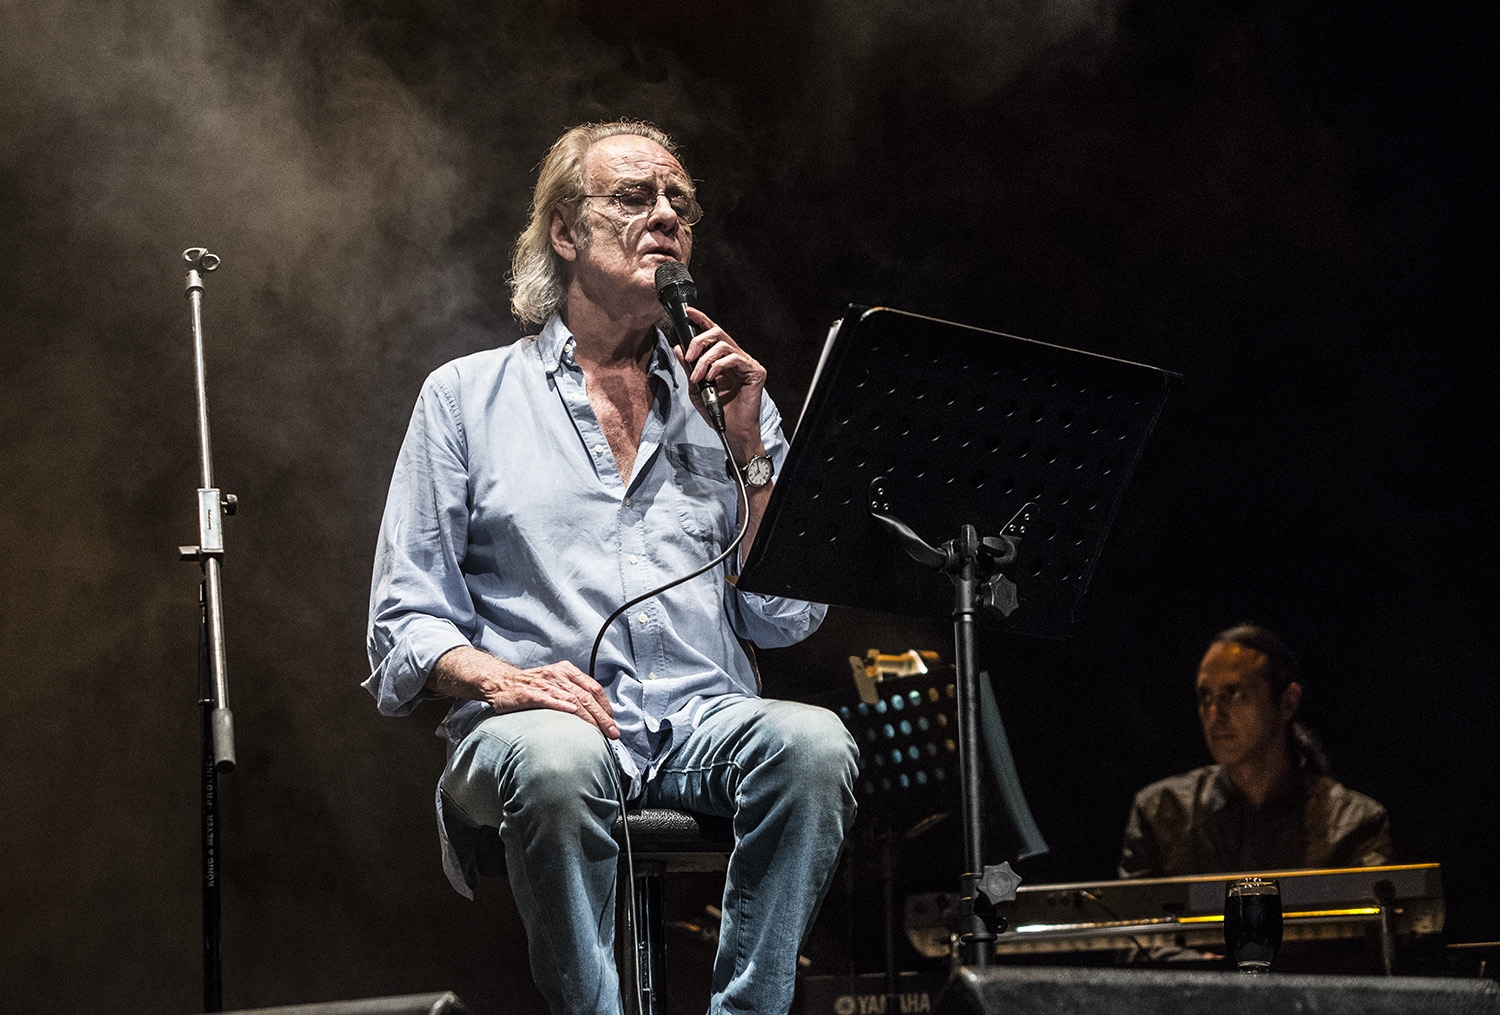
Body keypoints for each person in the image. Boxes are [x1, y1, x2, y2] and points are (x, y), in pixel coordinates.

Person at [364, 120, 859, 1014]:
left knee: (816, 744)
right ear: (564, 232)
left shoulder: (731, 402)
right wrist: (505, 680)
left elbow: (786, 617)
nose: (666, 216)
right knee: (559, 759)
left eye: (680, 203)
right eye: (633, 197)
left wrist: (751, 451)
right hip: (536, 728)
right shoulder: (465, 398)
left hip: (701, 723)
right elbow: (405, 621)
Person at [1119, 624, 1391, 879]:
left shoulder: (1352, 823)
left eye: (1234, 693)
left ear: (1287, 702)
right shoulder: (1162, 813)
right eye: (1205, 696)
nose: (1214, 714)